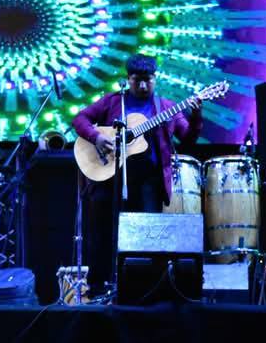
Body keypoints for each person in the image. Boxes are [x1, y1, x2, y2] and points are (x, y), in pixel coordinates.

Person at [72, 54, 204, 295]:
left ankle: (141, 291)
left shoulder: (166, 107)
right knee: (102, 233)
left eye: (148, 80)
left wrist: (196, 117)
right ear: (128, 79)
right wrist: (97, 137)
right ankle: (98, 288)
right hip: (110, 178)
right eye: (137, 80)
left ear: (155, 79)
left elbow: (188, 138)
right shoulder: (114, 101)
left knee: (146, 237)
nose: (143, 85)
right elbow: (80, 119)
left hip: (148, 182)